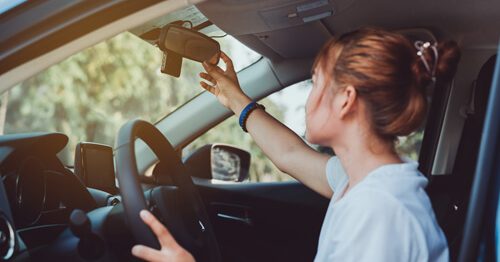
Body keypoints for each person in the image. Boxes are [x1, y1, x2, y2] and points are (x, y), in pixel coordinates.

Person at [131, 27, 461, 261]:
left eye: (316, 81)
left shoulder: (380, 212)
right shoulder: (360, 181)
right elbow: (289, 154)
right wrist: (234, 99)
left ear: (346, 101)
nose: (310, 98)